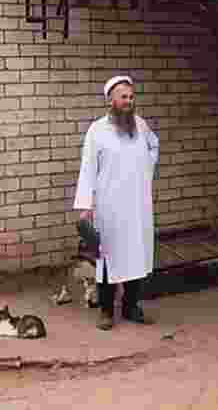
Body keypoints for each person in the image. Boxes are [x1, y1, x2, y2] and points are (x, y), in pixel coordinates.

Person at [74, 75, 160, 331]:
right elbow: (88, 169)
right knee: (108, 259)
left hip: (137, 205)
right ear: (111, 100)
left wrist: (144, 172)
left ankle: (131, 307)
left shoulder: (140, 125)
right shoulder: (97, 130)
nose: (128, 101)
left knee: (135, 256)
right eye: (123, 97)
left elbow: (153, 147)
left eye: (131, 97)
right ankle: (106, 310)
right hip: (109, 206)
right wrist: (86, 206)